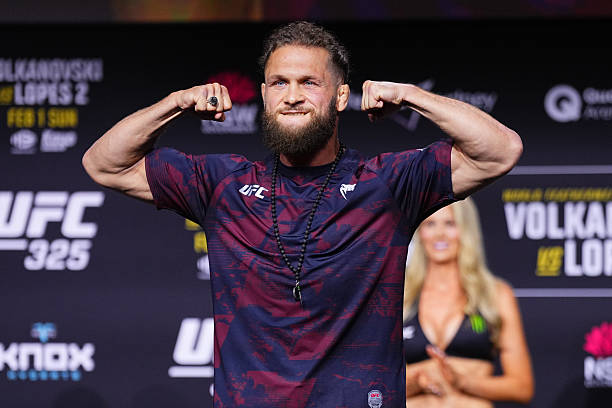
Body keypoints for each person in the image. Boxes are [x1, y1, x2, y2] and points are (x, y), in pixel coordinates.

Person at [82, 21, 522, 407]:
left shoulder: (385, 185)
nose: (292, 96)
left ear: (341, 96)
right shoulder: (224, 185)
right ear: (263, 95)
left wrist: (411, 96)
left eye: (309, 82)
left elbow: (500, 151)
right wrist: (175, 103)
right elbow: (104, 164)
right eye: (279, 83)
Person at [403, 198, 534, 407]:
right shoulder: (398, 296)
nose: (439, 234)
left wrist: (463, 381)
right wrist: (415, 379)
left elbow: (522, 387)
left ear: (466, 230)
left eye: (450, 224)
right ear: (419, 232)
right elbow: (370, 384)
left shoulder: (495, 295)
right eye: (430, 224)